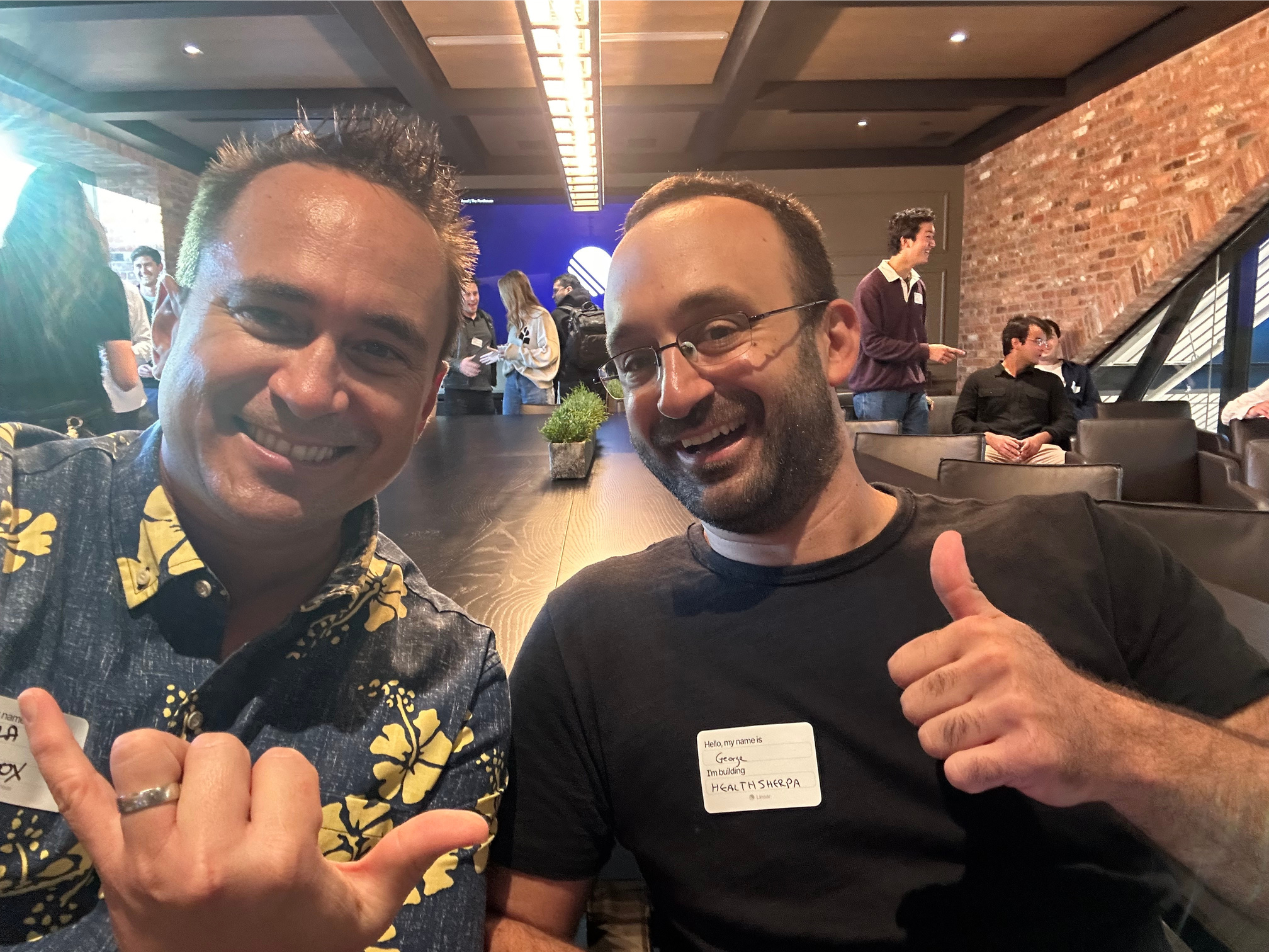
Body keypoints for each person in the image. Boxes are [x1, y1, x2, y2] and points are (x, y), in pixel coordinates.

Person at [485, 172, 1269, 952]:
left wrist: (1110, 740)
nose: (674, 392)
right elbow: (518, 923)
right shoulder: (593, 634)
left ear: (834, 341)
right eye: (634, 360)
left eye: (719, 330)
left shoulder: (1079, 554)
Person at [0, 109, 509, 950]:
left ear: (426, 404)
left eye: (379, 350)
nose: (309, 391)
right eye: (268, 315)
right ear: (167, 323)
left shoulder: (445, 679)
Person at [0, 165, 140, 435]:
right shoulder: (100, 279)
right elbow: (126, 377)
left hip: (7, 427)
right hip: (79, 424)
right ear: (79, 214)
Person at [849, 207, 964, 433]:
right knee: (881, 456)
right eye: (928, 237)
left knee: (917, 455)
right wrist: (927, 351)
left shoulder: (918, 285)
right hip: (878, 393)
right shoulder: (871, 286)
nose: (933, 244)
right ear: (906, 241)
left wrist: (920, 386)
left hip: (914, 392)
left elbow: (916, 337)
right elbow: (873, 345)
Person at [952, 315, 1075, 463]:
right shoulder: (979, 379)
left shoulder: (1050, 381)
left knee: (1066, 462)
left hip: (1039, 451)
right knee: (970, 459)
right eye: (1038, 341)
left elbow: (1067, 420)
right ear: (1016, 343)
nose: (1043, 347)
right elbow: (960, 421)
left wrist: (1040, 438)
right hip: (992, 450)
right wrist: (988, 437)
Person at [483, 270, 558, 414]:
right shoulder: (515, 320)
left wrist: (516, 353)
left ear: (512, 294)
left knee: (536, 428)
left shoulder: (540, 316)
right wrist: (502, 353)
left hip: (535, 384)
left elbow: (550, 353)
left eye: (504, 294)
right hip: (512, 381)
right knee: (510, 427)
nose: (503, 299)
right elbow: (519, 347)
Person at [99, 279, 154, 430]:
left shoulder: (126, 290)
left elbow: (147, 342)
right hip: (83, 405)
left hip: (127, 403)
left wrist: (122, 357)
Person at [440, 278, 498, 415]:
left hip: (485, 390)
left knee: (489, 428)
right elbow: (437, 357)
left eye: (475, 293)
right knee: (457, 429)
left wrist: (499, 354)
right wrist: (459, 365)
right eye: (467, 294)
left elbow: (492, 348)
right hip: (457, 392)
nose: (472, 298)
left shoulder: (486, 319)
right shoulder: (448, 322)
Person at [550, 273, 606, 402]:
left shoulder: (557, 315)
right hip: (598, 379)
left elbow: (554, 353)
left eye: (556, 290)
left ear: (568, 289)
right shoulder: (595, 311)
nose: (553, 296)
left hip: (570, 380)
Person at [1034, 318, 1100, 421]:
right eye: (1039, 339)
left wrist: (1067, 414)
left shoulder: (1079, 372)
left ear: (1058, 340)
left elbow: (1094, 409)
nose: (1045, 343)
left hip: (1075, 428)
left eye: (1050, 337)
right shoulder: (1022, 374)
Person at [130, 245, 180, 319]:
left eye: (147, 265)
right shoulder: (130, 300)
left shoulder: (174, 297)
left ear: (160, 267)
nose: (143, 271)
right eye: (138, 266)